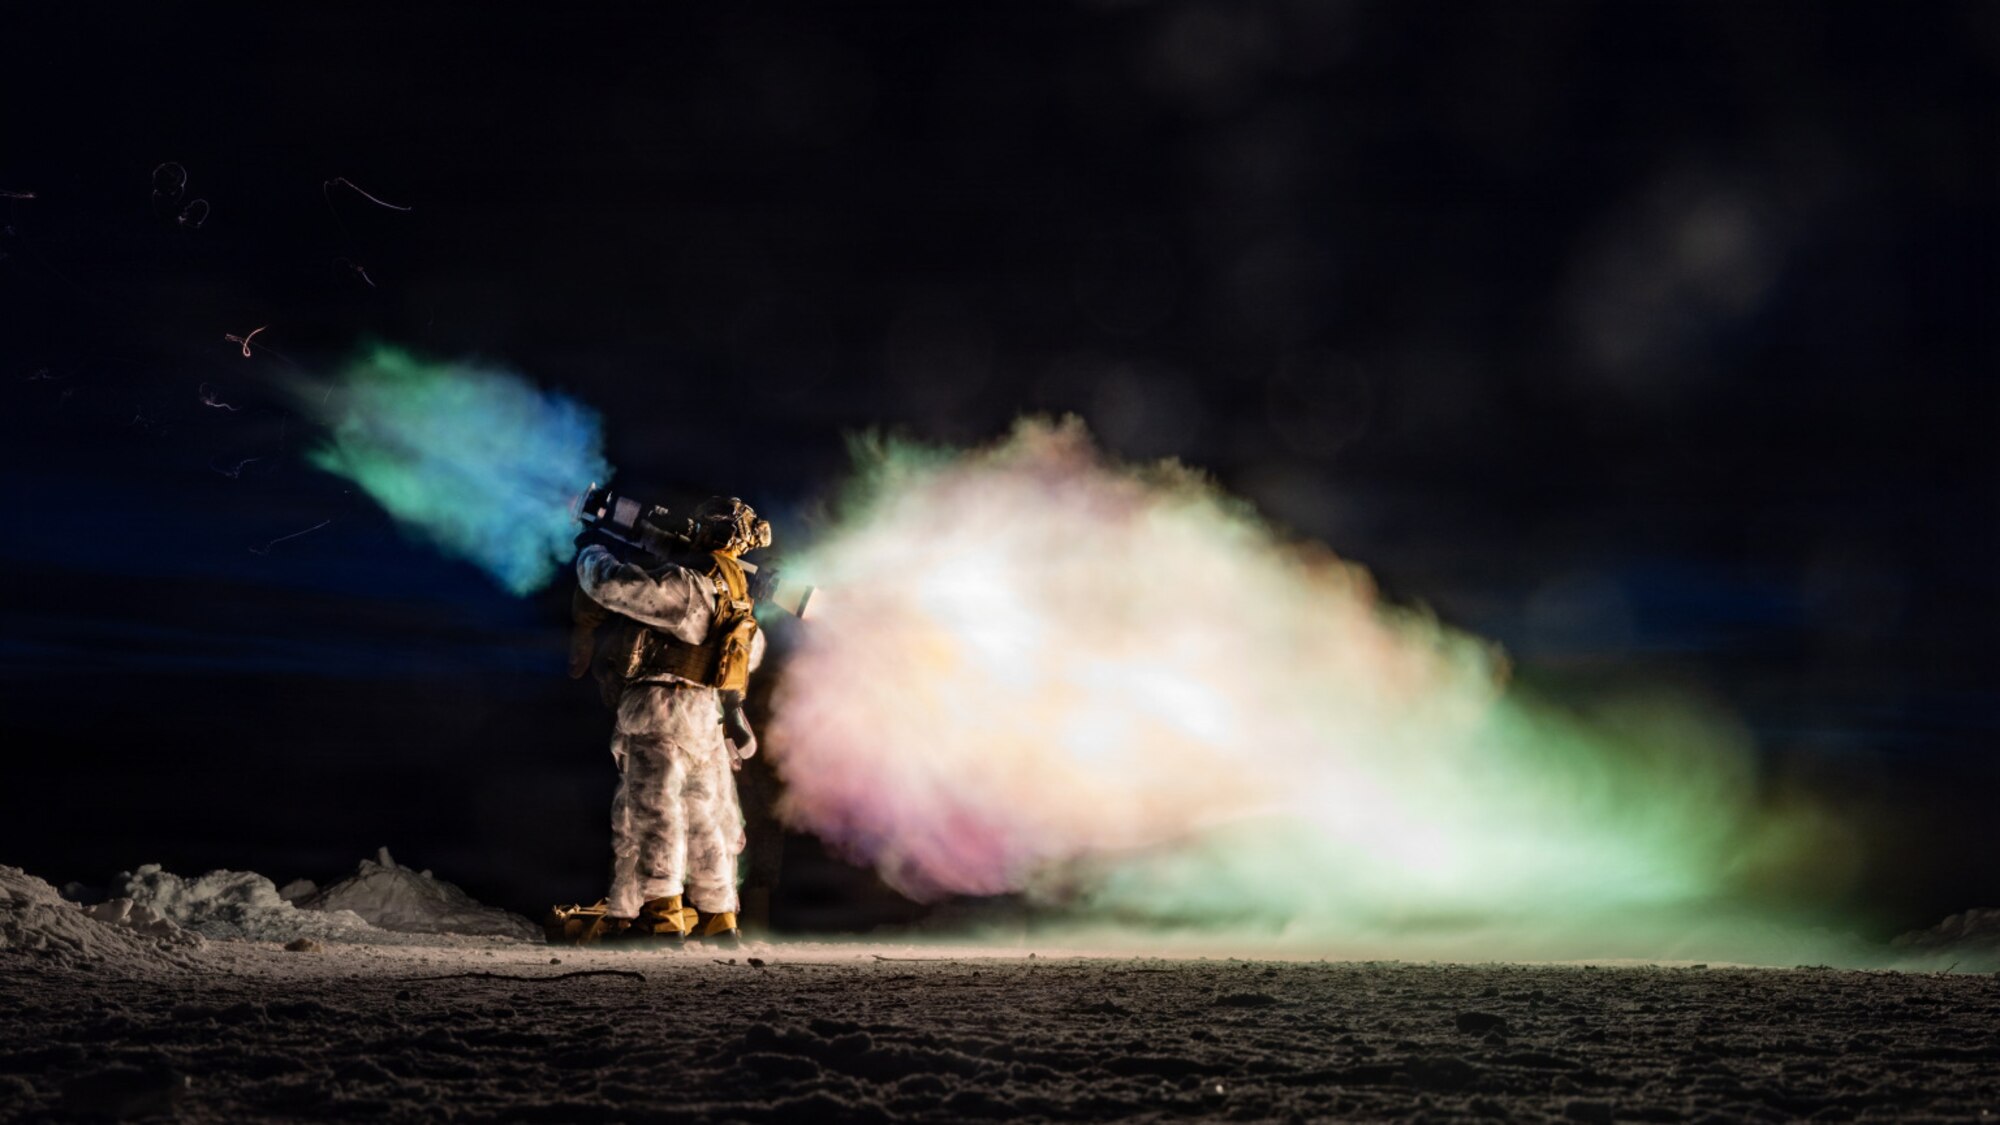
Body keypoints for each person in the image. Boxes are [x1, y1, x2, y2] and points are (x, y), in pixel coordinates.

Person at [567, 496, 771, 947]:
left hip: (660, 710)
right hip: (702, 716)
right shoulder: (737, 595)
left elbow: (613, 588)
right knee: (706, 816)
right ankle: (719, 917)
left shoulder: (689, 586)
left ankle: (660, 916)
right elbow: (749, 655)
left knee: (651, 810)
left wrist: (591, 551)